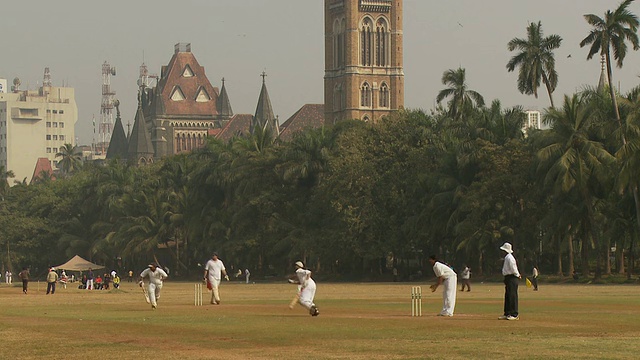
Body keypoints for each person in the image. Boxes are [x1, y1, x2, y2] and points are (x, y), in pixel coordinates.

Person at [499, 242, 521, 320]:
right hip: (508, 277)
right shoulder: (507, 257)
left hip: (512, 277)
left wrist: (518, 275)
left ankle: (514, 314)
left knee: (512, 296)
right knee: (508, 295)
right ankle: (507, 313)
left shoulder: (509, 258)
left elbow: (513, 268)